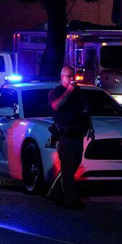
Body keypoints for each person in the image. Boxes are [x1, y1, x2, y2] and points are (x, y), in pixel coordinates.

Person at [46, 66, 94, 210]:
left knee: (72, 166)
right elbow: (56, 106)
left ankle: (55, 193)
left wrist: (90, 128)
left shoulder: (79, 92)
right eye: (69, 76)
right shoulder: (56, 92)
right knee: (67, 167)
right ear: (62, 77)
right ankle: (70, 200)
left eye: (73, 76)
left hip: (78, 135)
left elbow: (86, 110)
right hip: (65, 136)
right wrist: (68, 92)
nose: (72, 79)